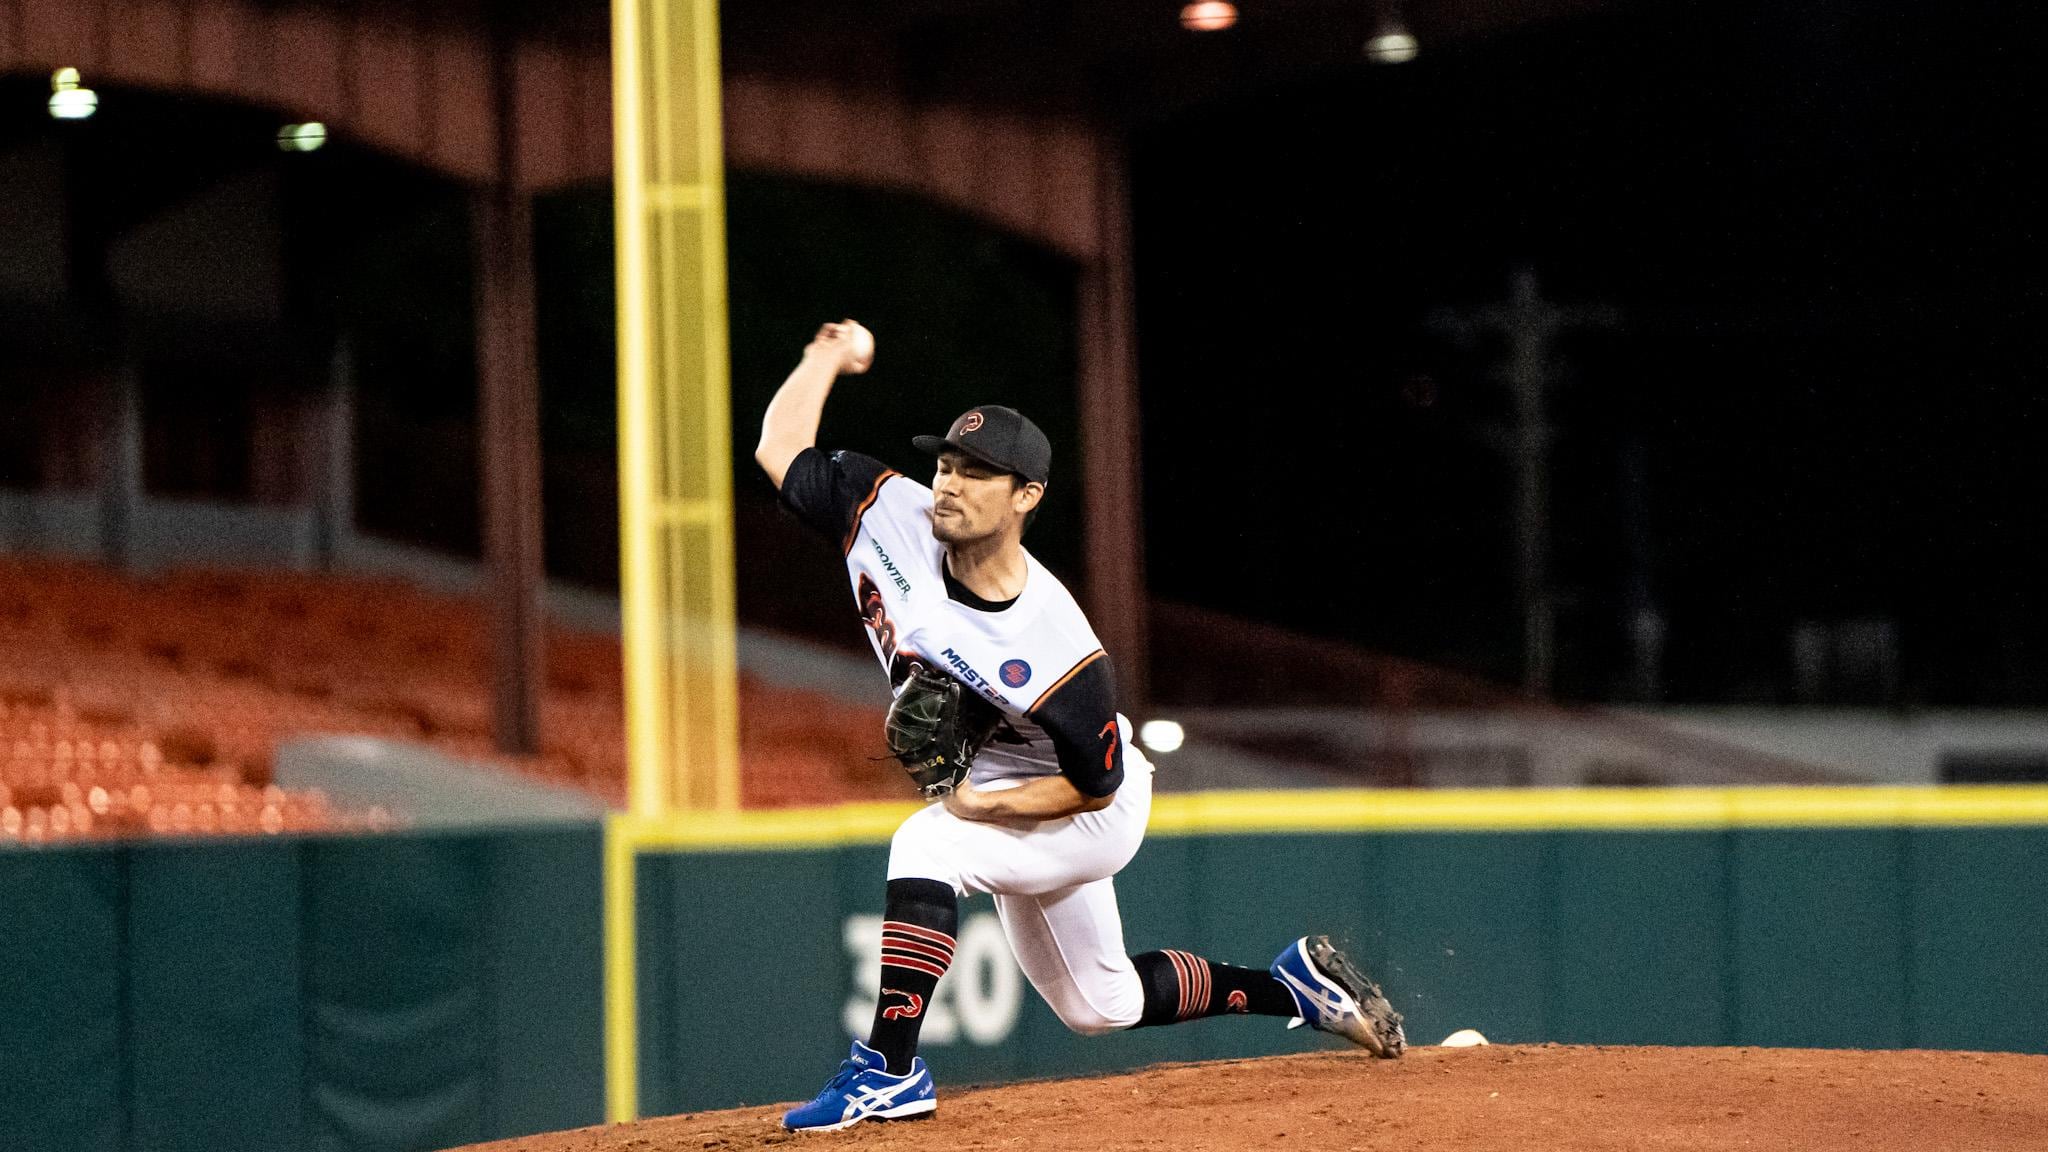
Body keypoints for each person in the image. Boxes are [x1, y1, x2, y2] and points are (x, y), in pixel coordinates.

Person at [755, 321, 1406, 1133]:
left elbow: (1091, 781)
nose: (951, 484)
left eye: (980, 474)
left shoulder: (1054, 644)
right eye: (948, 463)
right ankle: (1298, 988)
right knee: (1100, 1004)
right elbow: (780, 449)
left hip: (1087, 806)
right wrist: (826, 354)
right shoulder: (884, 510)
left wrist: (981, 808)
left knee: (926, 843)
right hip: (1007, 784)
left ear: (1026, 497)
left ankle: (888, 1071)